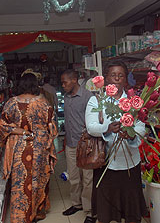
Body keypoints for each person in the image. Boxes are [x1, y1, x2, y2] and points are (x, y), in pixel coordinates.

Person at [85, 60, 148, 223]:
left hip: (130, 164)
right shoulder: (97, 101)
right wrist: (107, 127)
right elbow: (91, 127)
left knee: (131, 210)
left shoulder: (135, 102)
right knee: (106, 212)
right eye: (113, 75)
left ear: (126, 79)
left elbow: (141, 127)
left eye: (121, 75)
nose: (117, 78)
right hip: (105, 163)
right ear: (106, 78)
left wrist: (132, 135)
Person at [0, 72, 58, 223]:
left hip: (18, 147)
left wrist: (21, 131)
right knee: (38, 178)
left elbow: (3, 126)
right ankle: (38, 211)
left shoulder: (10, 103)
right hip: (39, 147)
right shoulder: (43, 103)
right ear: (35, 86)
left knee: (19, 180)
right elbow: (53, 129)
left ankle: (20, 216)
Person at [61, 69, 96, 223]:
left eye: (65, 82)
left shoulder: (88, 96)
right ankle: (77, 204)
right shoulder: (66, 97)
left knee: (88, 178)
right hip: (71, 144)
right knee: (74, 177)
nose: (63, 85)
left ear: (74, 80)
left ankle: (90, 211)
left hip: (86, 143)